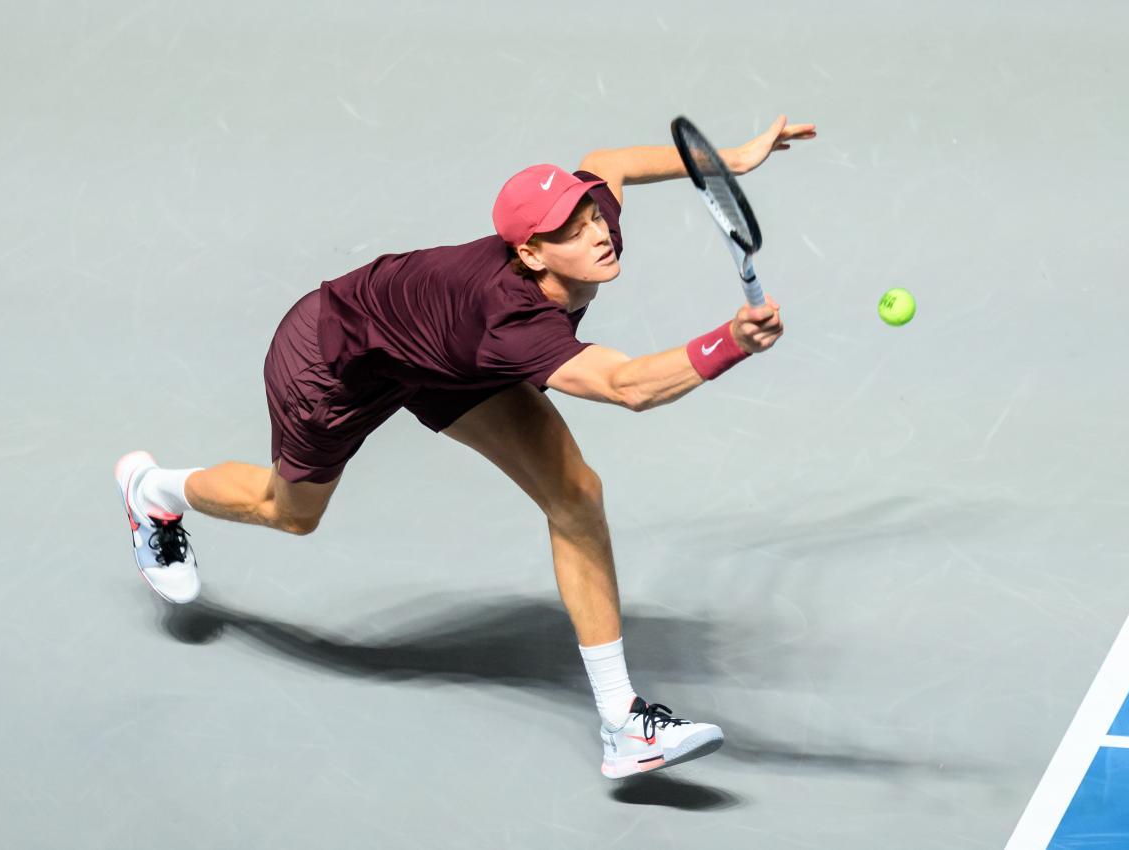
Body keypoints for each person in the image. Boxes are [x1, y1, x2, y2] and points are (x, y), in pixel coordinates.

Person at [115, 115, 816, 779]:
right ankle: (152, 493)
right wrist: (729, 343)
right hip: (337, 356)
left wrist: (731, 159)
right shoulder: (514, 323)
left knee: (575, 494)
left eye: (593, 216)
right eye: (571, 230)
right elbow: (626, 385)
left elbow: (611, 164)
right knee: (289, 511)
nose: (597, 232)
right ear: (531, 253)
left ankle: (623, 724)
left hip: (445, 357)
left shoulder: (590, 230)